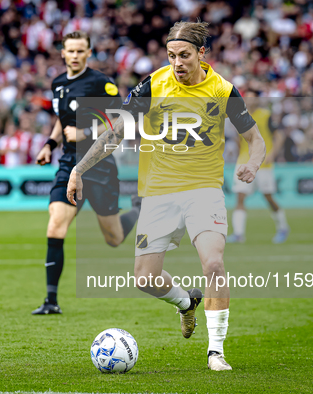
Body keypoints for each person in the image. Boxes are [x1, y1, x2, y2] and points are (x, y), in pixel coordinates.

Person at [66, 21, 266, 371]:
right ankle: (186, 304)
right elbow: (116, 131)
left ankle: (215, 351)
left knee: (214, 264)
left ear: (202, 54)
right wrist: (78, 169)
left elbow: (256, 139)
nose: (177, 63)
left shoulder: (223, 90)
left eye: (184, 55)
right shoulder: (153, 85)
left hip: (204, 190)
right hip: (159, 193)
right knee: (144, 278)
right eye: (172, 55)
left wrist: (252, 163)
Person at [32, 31, 141, 315]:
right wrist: (49, 144)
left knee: (114, 238)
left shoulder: (100, 83)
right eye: (71, 51)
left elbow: (120, 122)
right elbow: (61, 120)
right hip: (69, 163)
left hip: (99, 165)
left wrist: (85, 131)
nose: (76, 55)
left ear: (88, 53)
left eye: (81, 51)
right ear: (63, 53)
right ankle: (51, 301)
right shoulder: (57, 84)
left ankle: (139, 211)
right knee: (56, 224)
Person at [227, 90, 289, 244]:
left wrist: (272, 153)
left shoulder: (265, 115)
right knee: (240, 196)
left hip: (263, 163)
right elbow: (237, 138)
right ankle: (239, 234)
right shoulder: (238, 115)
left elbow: (280, 135)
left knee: (268, 196)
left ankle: (282, 227)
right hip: (243, 161)